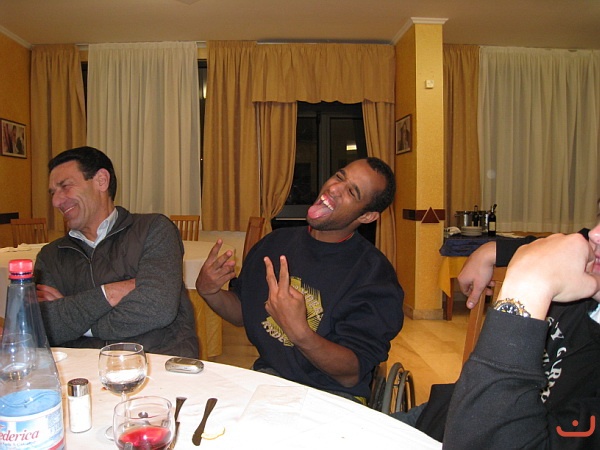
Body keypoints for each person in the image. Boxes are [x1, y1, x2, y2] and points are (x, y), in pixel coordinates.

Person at [196, 157, 404, 402]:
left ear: (367, 216)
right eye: (339, 176)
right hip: (269, 379)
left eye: (352, 192)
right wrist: (210, 291)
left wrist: (300, 332)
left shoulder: (374, 275)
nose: (334, 188)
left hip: (333, 395)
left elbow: (350, 374)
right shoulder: (273, 244)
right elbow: (243, 312)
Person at [394, 222, 600, 448]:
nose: (594, 234)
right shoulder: (585, 267)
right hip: (440, 414)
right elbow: (567, 244)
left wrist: (528, 285)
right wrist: (490, 250)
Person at [34, 146, 199, 358]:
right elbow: (43, 326)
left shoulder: (154, 229)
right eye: (53, 193)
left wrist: (77, 321)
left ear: (101, 181)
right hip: (84, 369)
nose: (56, 201)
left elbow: (157, 308)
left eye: (65, 186)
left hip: (157, 361)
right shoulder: (50, 257)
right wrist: (109, 293)